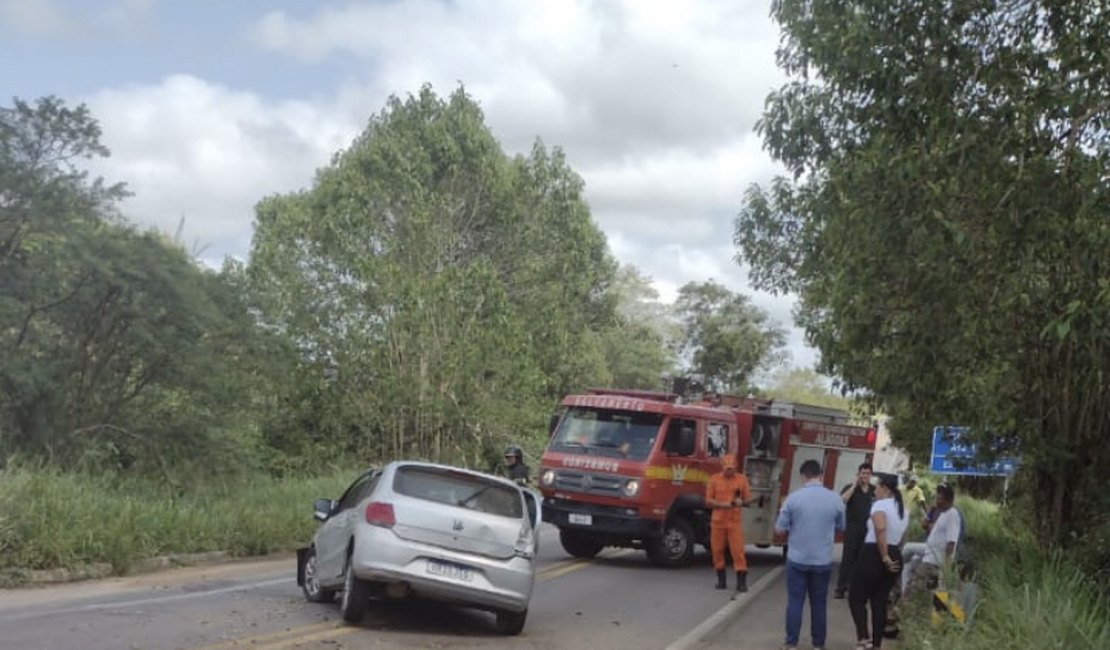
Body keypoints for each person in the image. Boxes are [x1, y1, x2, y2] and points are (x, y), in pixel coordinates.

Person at [774, 459, 846, 650]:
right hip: (822, 561)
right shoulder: (835, 499)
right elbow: (842, 526)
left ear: (803, 476)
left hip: (797, 559)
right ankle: (818, 644)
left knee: (795, 602)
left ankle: (791, 643)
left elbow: (780, 529)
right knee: (819, 604)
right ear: (820, 475)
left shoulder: (793, 498)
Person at [848, 472, 909, 650]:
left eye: (877, 487)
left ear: (885, 489)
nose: (875, 491)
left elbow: (880, 530)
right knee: (879, 600)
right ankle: (876, 644)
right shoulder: (903, 509)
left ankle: (864, 638)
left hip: (874, 552)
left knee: (856, 598)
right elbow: (902, 536)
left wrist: (884, 556)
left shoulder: (879, 505)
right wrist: (893, 554)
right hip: (895, 551)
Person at [900, 483, 961, 597]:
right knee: (910, 571)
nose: (936, 501)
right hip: (929, 555)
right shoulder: (943, 513)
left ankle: (901, 609)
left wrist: (946, 568)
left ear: (948, 500)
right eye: (936, 497)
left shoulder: (952, 515)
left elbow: (951, 543)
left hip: (934, 560)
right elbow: (925, 525)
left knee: (915, 588)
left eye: (939, 498)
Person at [705, 456, 753, 592]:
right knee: (717, 550)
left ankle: (741, 581)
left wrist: (741, 503)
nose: (729, 472)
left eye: (731, 469)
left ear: (736, 467)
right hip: (718, 521)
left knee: (738, 551)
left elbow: (748, 500)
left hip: (734, 521)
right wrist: (723, 505)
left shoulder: (742, 480)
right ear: (722, 467)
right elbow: (708, 501)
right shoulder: (714, 479)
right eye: (727, 469)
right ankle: (721, 580)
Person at [835, 463, 875, 599]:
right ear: (858, 474)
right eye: (862, 473)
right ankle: (841, 587)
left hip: (867, 529)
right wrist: (854, 485)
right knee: (848, 557)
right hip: (852, 528)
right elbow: (843, 500)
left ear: (871, 475)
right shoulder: (851, 488)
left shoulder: (873, 490)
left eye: (867, 474)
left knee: (861, 560)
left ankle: (856, 588)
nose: (865, 476)